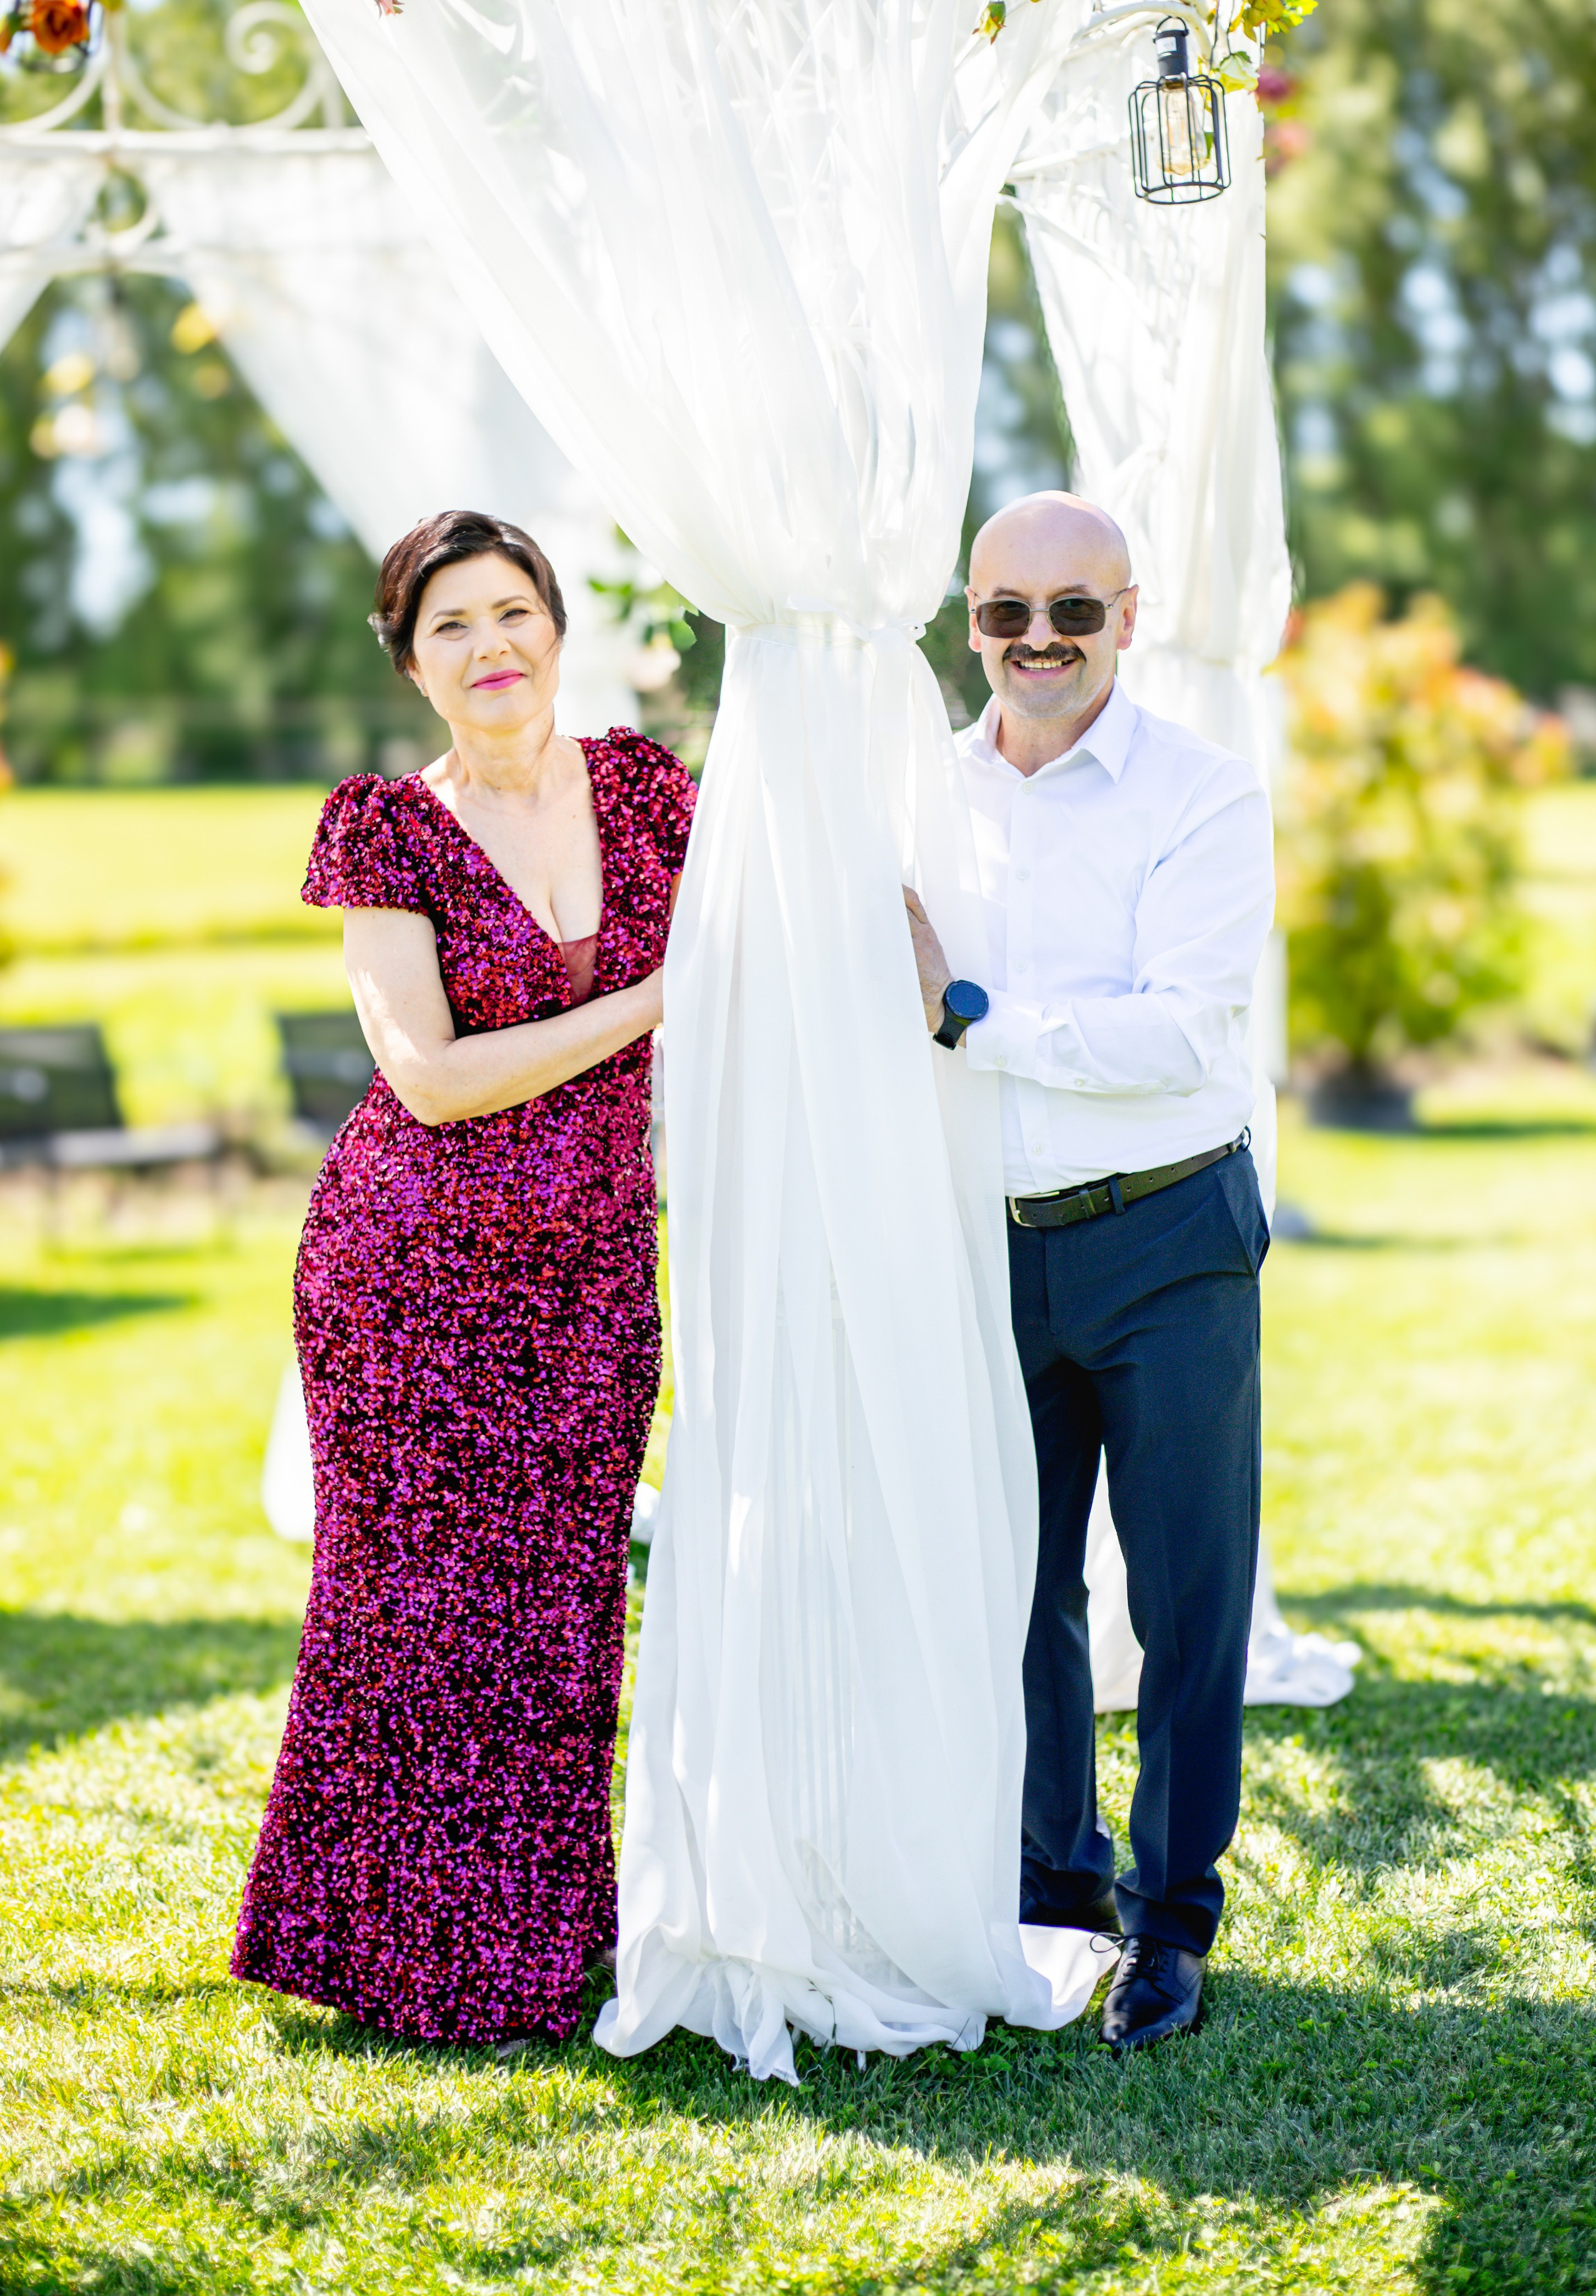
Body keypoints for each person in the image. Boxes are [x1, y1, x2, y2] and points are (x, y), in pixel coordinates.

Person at [232, 509, 695, 2047]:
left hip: (593, 1273)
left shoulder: (644, 787)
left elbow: (792, 907)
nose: (489, 647)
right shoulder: (382, 826)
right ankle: (384, 1952)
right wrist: (651, 1001)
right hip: (405, 1270)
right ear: (411, 661)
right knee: (408, 1607)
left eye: (512, 613)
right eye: (451, 627)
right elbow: (426, 1076)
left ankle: (534, 1949)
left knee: (559, 1599)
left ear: (557, 627)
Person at [903, 490, 1275, 2053]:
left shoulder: (1201, 794)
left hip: (1168, 1237)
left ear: (1127, 614)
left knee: (1187, 1599)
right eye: (1005, 613)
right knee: (1015, 1588)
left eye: (1074, 610)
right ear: (968, 621)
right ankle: (1050, 1887)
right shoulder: (918, 794)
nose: (1038, 641)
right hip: (986, 1249)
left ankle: (1170, 1924)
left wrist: (971, 1018)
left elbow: (1183, 1032)